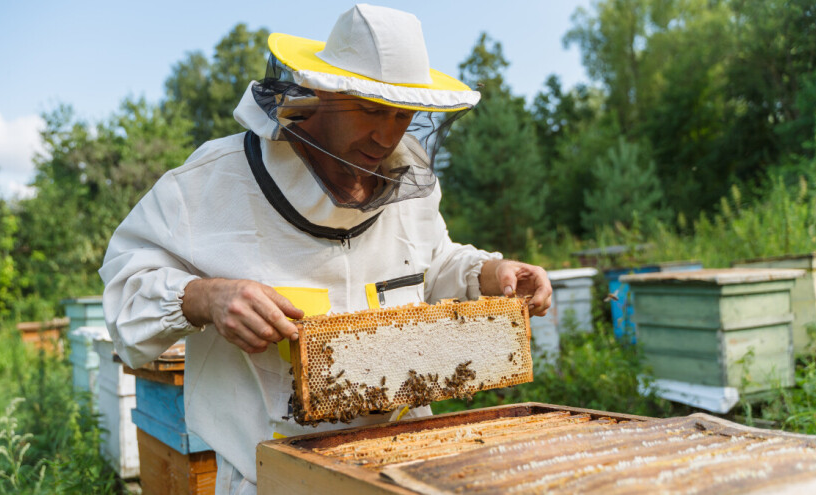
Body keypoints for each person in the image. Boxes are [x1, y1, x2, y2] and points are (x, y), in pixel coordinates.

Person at [99, 4, 552, 494]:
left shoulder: (404, 173)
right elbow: (125, 300)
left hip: (406, 467)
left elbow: (429, 261)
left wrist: (489, 272)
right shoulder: (208, 183)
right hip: (270, 478)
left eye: (404, 114)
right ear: (323, 93)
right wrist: (204, 297)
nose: (388, 135)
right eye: (372, 110)